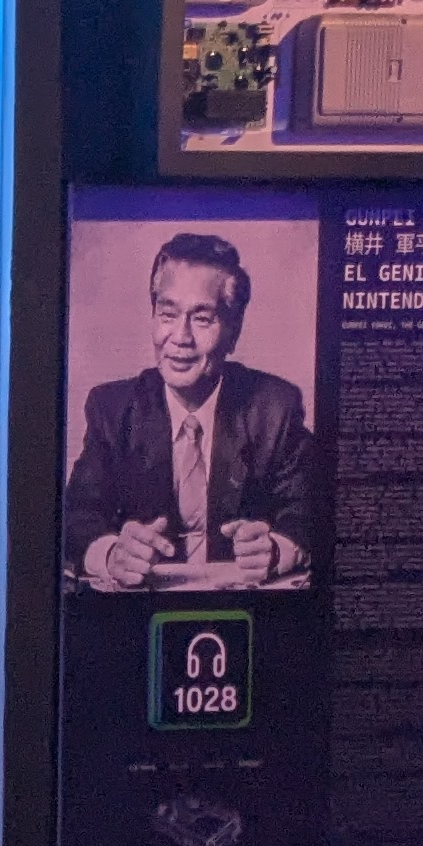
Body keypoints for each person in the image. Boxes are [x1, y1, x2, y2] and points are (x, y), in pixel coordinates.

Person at [63, 231, 321, 589]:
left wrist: (277, 550)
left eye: (202, 319)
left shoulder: (274, 408)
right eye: (167, 315)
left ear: (233, 332)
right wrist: (110, 553)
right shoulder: (113, 409)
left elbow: (309, 509)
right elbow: (76, 515)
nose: (181, 338)